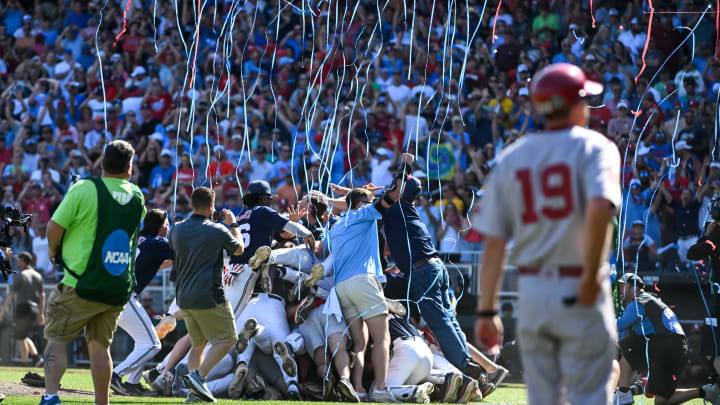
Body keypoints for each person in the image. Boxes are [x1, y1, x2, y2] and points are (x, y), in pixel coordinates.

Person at [473, 63, 621, 404]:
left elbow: (494, 244)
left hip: (534, 291)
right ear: (576, 103)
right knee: (590, 396)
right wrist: (587, 278)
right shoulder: (597, 147)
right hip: (580, 285)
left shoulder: (512, 157)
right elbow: (600, 210)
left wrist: (486, 311)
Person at [375, 154, 507, 390]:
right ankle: (476, 368)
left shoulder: (396, 208)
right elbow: (396, 186)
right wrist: (406, 166)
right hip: (435, 268)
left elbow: (387, 192)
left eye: (395, 186)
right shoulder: (407, 209)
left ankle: (466, 366)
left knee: (439, 323)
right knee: (448, 320)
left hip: (423, 271)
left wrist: (405, 165)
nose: (390, 188)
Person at [43, 140, 146, 405]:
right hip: (116, 288)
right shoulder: (138, 196)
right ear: (129, 167)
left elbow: (53, 227)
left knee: (56, 338)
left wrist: (55, 252)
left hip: (80, 284)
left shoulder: (84, 189)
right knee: (101, 348)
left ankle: (51, 396)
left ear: (101, 163)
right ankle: (102, 403)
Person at [326, 182, 403, 402]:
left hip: (341, 287)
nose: (372, 204)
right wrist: (405, 169)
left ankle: (357, 389)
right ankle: (379, 388)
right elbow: (391, 198)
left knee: (359, 343)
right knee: (382, 338)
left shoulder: (336, 226)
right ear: (361, 204)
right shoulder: (363, 213)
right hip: (363, 281)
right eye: (369, 201)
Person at [169, 186, 243, 403]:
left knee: (198, 344)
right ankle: (199, 378)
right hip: (208, 294)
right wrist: (233, 224)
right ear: (211, 206)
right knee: (229, 338)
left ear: (193, 204)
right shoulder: (217, 229)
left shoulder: (177, 229)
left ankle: (194, 395)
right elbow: (239, 249)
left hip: (183, 296)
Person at [616, 273, 720, 405]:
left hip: (666, 347)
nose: (620, 290)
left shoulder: (638, 303)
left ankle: (627, 391)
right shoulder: (649, 299)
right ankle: (705, 392)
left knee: (621, 347)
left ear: (635, 288)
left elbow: (618, 326)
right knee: (660, 402)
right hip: (671, 347)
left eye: (623, 286)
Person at [111, 208, 174, 396]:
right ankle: (116, 375)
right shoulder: (159, 242)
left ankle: (132, 383)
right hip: (124, 295)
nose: (168, 228)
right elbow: (180, 253)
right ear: (162, 227)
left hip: (114, 292)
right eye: (167, 225)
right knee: (153, 344)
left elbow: (160, 262)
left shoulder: (138, 239)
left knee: (143, 341)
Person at [0, 251, 44, 366]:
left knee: (20, 336)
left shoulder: (21, 275)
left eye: (19, 260)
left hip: (23, 308)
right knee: (23, 334)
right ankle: (36, 357)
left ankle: (25, 363)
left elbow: (11, 295)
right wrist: (41, 313)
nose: (17, 263)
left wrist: (2, 311)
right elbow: (43, 295)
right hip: (34, 309)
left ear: (24, 262)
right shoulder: (37, 275)